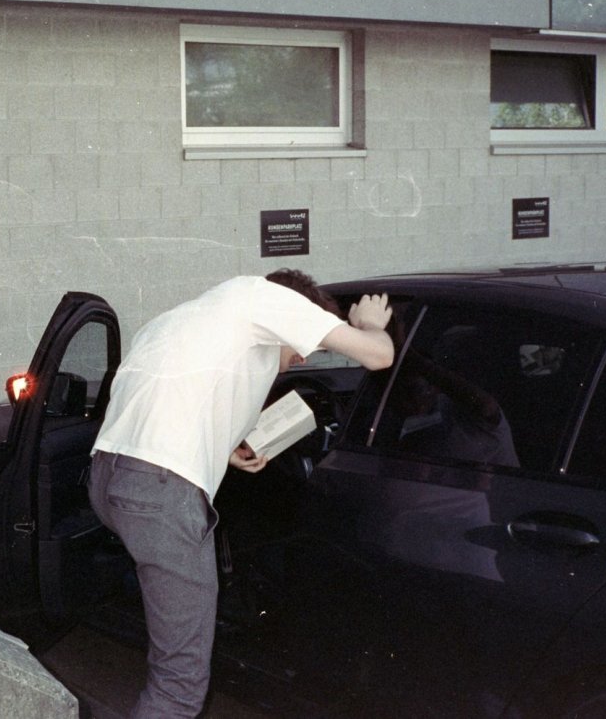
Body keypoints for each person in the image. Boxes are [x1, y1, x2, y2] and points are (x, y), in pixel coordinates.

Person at [86, 269, 394, 718]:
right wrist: (368, 324)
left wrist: (222, 447)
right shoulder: (264, 296)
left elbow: (170, 394)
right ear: (296, 309)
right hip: (160, 494)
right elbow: (380, 356)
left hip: (110, 477)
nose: (306, 356)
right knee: (178, 686)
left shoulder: (190, 315)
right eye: (309, 341)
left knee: (174, 662)